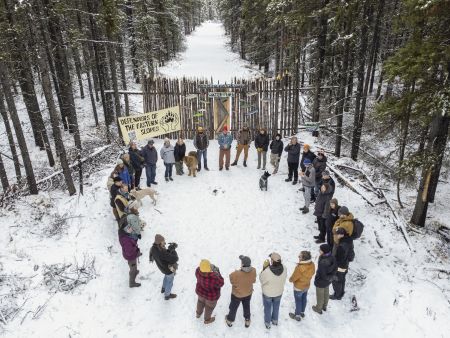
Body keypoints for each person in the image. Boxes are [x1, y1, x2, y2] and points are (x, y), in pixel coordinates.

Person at [225, 255, 256, 328]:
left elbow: (231, 280)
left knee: (233, 307)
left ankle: (230, 320)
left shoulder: (236, 274)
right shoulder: (254, 270)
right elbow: (254, 280)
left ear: (242, 264)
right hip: (248, 293)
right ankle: (247, 320)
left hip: (237, 295)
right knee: (246, 306)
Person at [259, 252, 287, 329]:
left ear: (272, 261)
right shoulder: (284, 268)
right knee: (276, 307)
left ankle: (267, 322)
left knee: (267, 308)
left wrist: (264, 269)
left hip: (268, 294)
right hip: (279, 292)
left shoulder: (267, 271)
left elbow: (261, 279)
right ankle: (275, 320)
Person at [149, 234, 179, 300]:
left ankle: (163, 288)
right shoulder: (161, 252)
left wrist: (169, 250)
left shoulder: (154, 248)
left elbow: (165, 256)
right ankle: (167, 295)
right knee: (170, 281)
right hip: (168, 269)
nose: (164, 242)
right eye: (163, 241)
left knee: (166, 277)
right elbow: (175, 259)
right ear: (159, 242)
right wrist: (173, 250)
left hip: (162, 267)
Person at [195, 259, 225, 324]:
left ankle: (198, 314)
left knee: (200, 302)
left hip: (201, 293)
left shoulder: (197, 271)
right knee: (209, 307)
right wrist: (217, 272)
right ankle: (207, 319)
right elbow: (221, 283)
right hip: (211, 297)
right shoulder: (214, 277)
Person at [288, 251, 316, 321]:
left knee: (298, 301)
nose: (298, 257)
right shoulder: (312, 265)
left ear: (304, 258)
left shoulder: (300, 267)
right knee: (304, 299)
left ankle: (297, 315)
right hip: (306, 285)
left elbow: (294, 277)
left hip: (298, 287)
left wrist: (290, 280)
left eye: (300, 256)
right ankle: (302, 312)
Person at [118, 215, 142, 288]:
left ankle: (135, 272)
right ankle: (132, 283)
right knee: (132, 268)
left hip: (130, 254)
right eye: (128, 227)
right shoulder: (125, 240)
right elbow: (129, 252)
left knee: (133, 266)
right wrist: (135, 249)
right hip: (130, 256)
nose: (130, 229)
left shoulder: (124, 233)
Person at [312, 244, 336, 315]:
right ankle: (324, 306)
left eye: (320, 250)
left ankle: (318, 308)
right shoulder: (332, 257)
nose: (319, 250)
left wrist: (319, 279)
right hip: (328, 280)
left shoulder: (323, 262)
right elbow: (335, 268)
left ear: (324, 251)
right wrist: (331, 277)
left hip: (321, 280)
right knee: (326, 292)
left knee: (320, 295)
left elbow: (322, 274)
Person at [330, 227, 354, 300]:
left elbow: (339, 258)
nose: (336, 236)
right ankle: (341, 292)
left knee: (336, 280)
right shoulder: (348, 240)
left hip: (340, 266)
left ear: (342, 234)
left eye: (337, 234)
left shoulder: (342, 246)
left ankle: (337, 295)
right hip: (345, 265)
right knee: (342, 279)